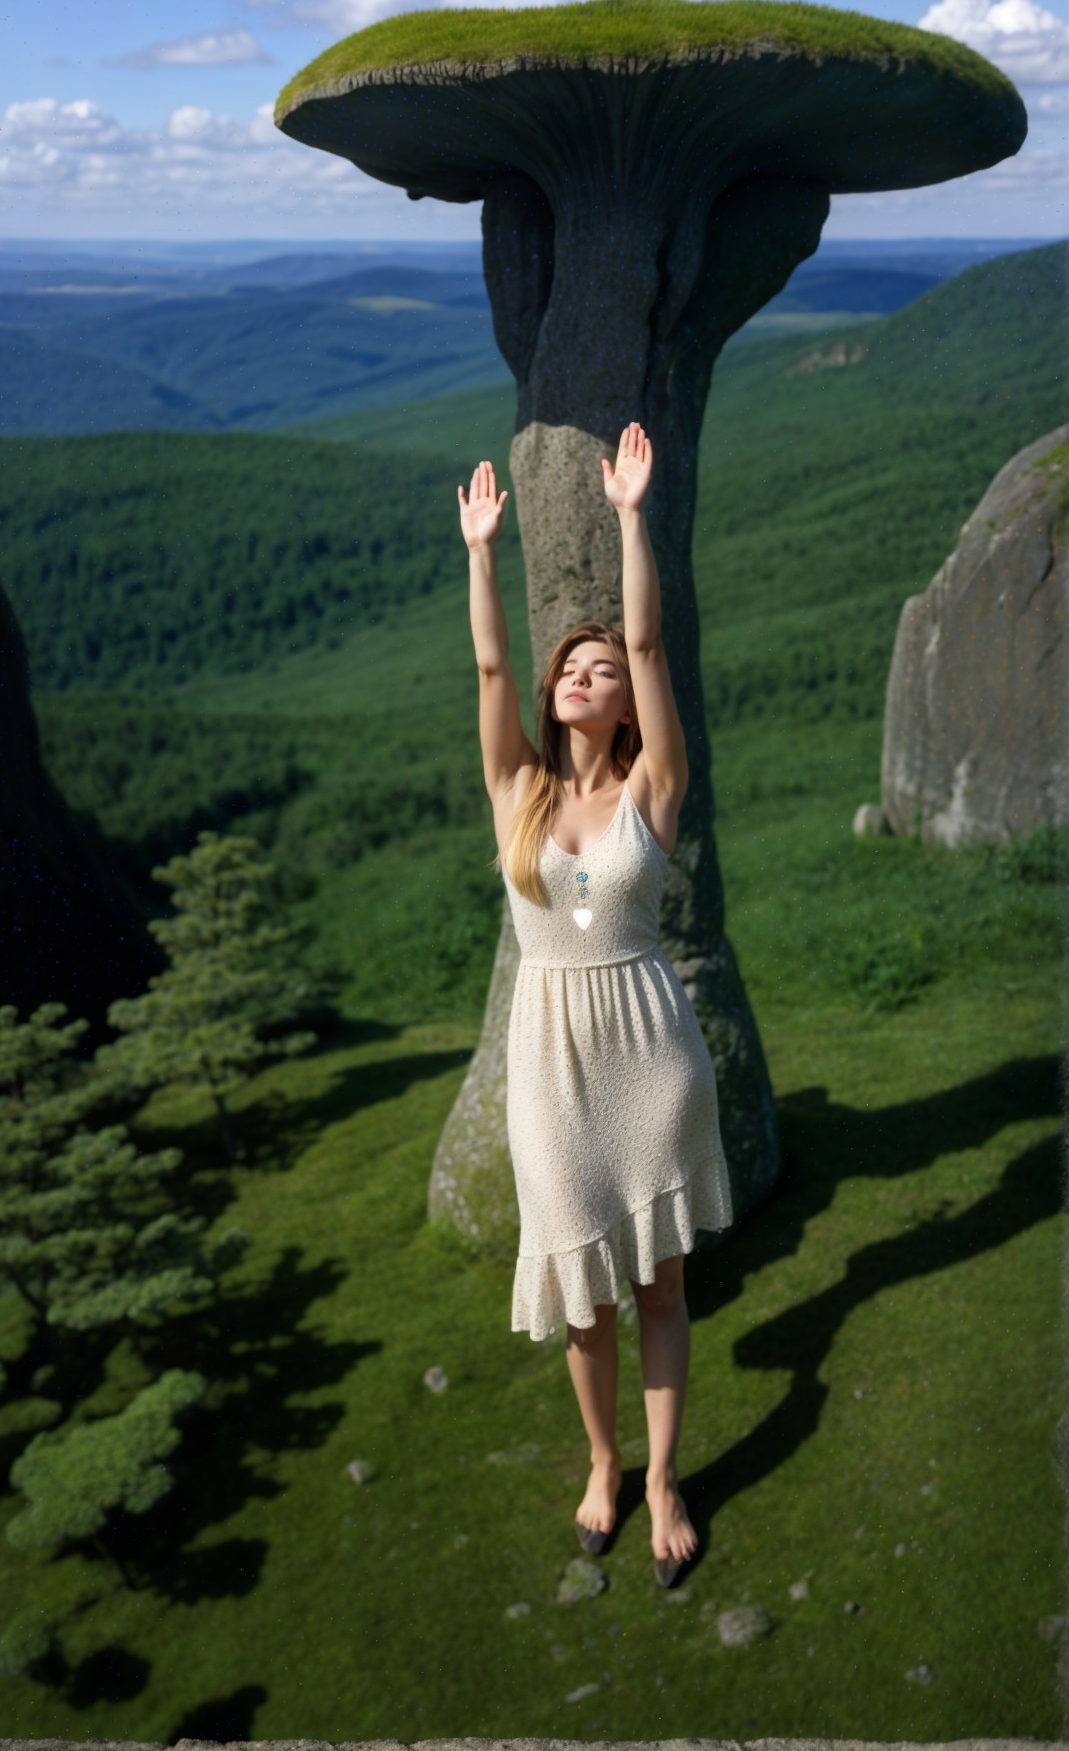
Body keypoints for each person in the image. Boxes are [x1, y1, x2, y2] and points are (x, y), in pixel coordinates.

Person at [457, 419, 733, 1587]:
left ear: (623, 703)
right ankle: (602, 1461)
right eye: (570, 662)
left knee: (658, 1282)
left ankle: (662, 1476)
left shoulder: (651, 794)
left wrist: (629, 517)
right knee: (582, 1292)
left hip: (647, 1053)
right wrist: (480, 552)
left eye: (598, 666)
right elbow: (488, 671)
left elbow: (655, 639)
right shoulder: (517, 786)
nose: (581, 671)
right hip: (549, 1067)